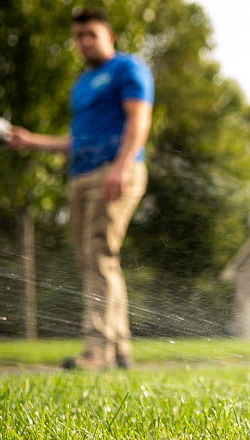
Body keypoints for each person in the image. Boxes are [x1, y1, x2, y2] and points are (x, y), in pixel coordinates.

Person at [8, 7, 153, 370]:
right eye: (78, 36)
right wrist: (30, 141)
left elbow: (139, 120)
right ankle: (119, 350)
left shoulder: (127, 68)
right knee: (94, 261)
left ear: (109, 36)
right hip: (81, 176)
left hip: (116, 170)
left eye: (91, 34)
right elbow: (76, 140)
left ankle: (97, 352)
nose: (84, 42)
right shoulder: (80, 85)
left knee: (99, 255)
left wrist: (120, 167)